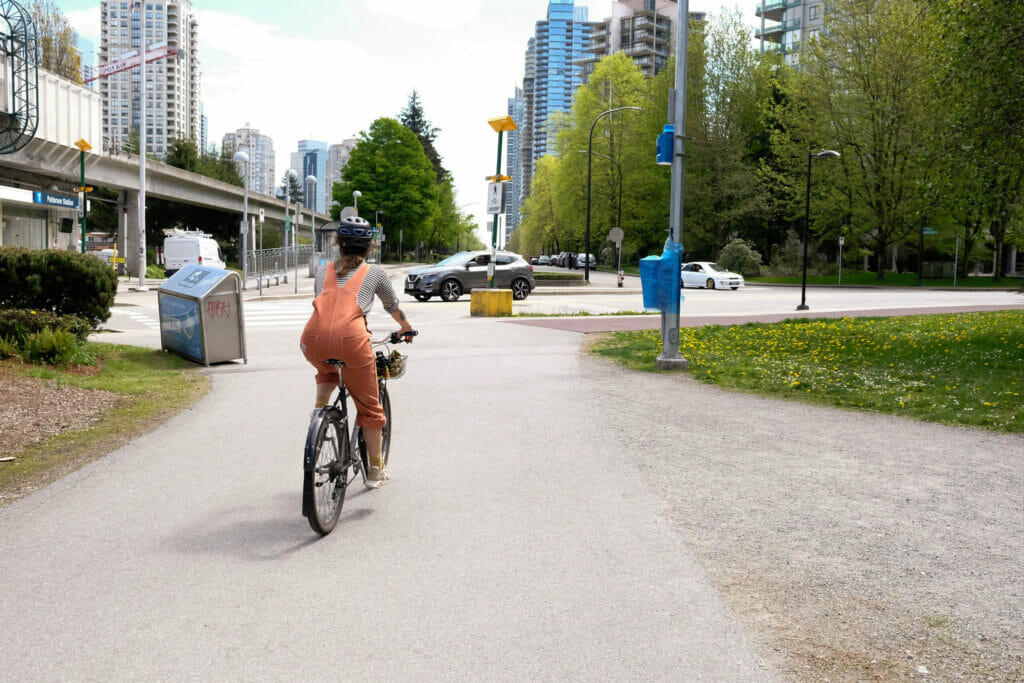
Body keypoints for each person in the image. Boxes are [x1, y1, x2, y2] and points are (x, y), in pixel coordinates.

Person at [299, 215, 415, 488]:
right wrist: (406, 326)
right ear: (369, 247)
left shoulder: (322, 271)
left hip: (311, 340)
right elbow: (391, 305)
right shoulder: (374, 273)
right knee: (371, 409)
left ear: (338, 244)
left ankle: (320, 412)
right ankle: (375, 470)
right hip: (352, 342)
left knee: (326, 365)